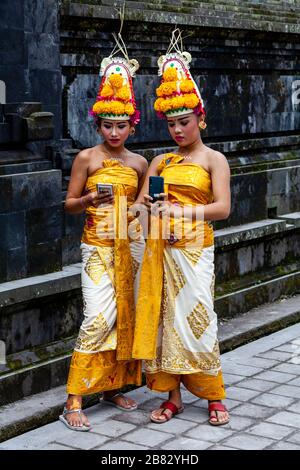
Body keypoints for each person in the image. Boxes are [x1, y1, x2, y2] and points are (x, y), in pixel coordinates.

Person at [132, 30, 231, 426]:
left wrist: (180, 213)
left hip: (194, 251)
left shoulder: (214, 160)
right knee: (163, 324)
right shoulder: (160, 162)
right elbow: (139, 207)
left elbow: (222, 209)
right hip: (161, 250)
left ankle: (213, 395)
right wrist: (148, 216)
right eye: (172, 123)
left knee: (198, 320)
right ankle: (172, 396)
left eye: (184, 122)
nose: (177, 130)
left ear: (201, 119)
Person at [59, 48, 148, 431]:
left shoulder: (140, 164)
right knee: (96, 318)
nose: (114, 132)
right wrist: (91, 198)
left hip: (130, 247)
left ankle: (113, 386)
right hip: (96, 247)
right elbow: (69, 205)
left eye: (121, 125)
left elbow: (145, 209)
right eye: (108, 126)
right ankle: (73, 398)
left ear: (132, 126)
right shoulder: (86, 159)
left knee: (124, 317)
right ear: (97, 126)